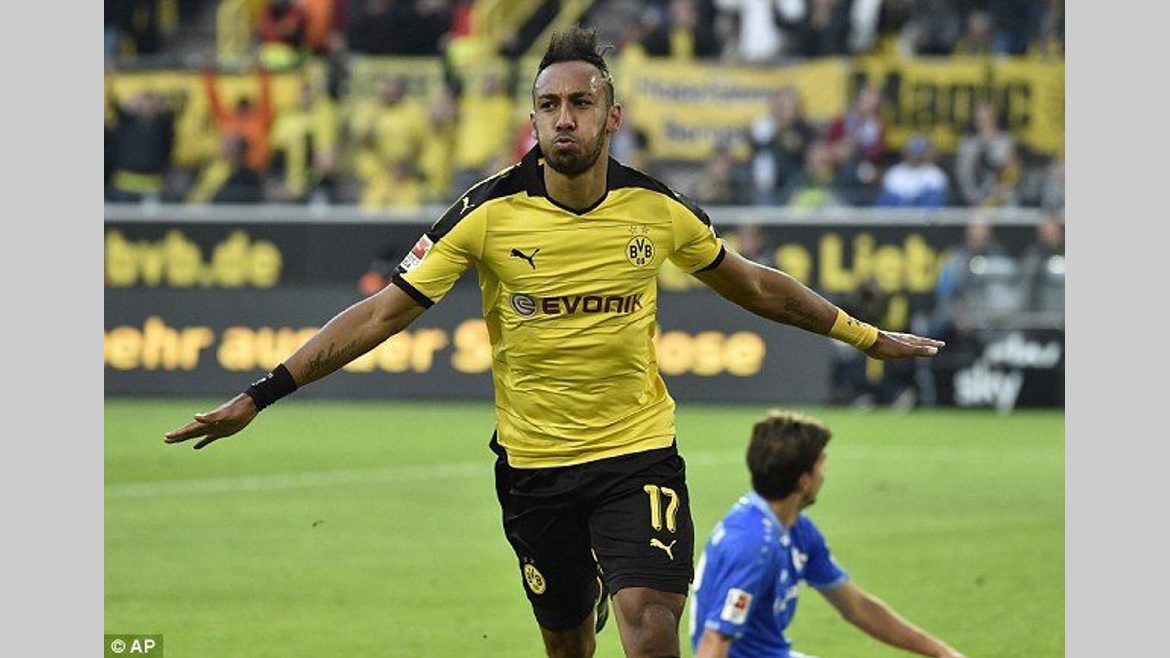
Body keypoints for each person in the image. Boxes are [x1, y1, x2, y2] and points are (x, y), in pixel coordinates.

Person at [164, 26, 944, 658]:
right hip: (535, 469)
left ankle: (621, 590)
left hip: (636, 452)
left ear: (612, 116)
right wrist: (260, 394)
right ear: (532, 120)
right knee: (569, 644)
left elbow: (756, 286)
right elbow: (379, 317)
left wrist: (864, 335)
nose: (563, 118)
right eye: (548, 105)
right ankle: (584, 599)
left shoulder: (657, 209)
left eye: (580, 102)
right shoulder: (485, 213)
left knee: (652, 624)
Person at [690, 410, 965, 658]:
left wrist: (941, 652)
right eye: (821, 463)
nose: (825, 472)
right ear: (804, 481)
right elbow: (714, 640)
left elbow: (857, 607)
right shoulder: (755, 545)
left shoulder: (794, 528)